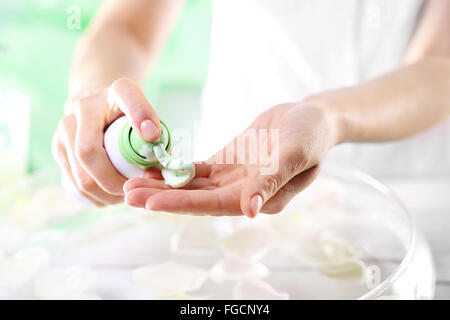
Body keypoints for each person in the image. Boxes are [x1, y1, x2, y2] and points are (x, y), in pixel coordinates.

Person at [52, 0, 450, 218]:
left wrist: (329, 117)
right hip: (235, 180)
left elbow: (440, 64)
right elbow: (127, 27)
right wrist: (98, 96)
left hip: (413, 195)